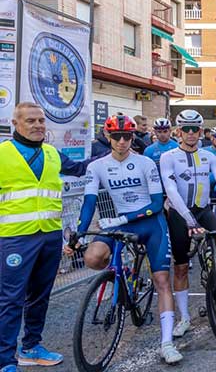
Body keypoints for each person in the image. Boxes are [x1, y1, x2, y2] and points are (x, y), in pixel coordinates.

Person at [71, 114, 182, 364]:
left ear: (133, 137)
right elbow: (89, 203)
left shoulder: (145, 163)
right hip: (121, 222)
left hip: (150, 223)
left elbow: (155, 205)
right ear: (108, 137)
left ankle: (167, 343)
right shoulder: (96, 166)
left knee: (162, 279)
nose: (122, 141)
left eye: (128, 136)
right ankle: (119, 276)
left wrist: (120, 219)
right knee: (92, 256)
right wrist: (79, 231)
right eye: (117, 136)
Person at [0, 102, 94, 371]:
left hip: (49, 236)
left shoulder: (52, 153)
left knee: (40, 296)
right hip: (14, 238)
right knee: (10, 300)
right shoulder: (3, 153)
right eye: (31, 121)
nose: (38, 125)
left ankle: (31, 347)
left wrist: (113, 151)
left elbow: (80, 169)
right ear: (15, 123)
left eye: (41, 121)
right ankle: (5, 359)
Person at [160, 110, 216, 338]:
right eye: (185, 129)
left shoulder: (208, 156)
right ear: (178, 131)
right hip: (179, 212)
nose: (190, 133)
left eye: (194, 129)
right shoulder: (168, 157)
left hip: (203, 210)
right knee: (181, 267)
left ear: (200, 131)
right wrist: (188, 219)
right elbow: (171, 190)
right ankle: (185, 317)